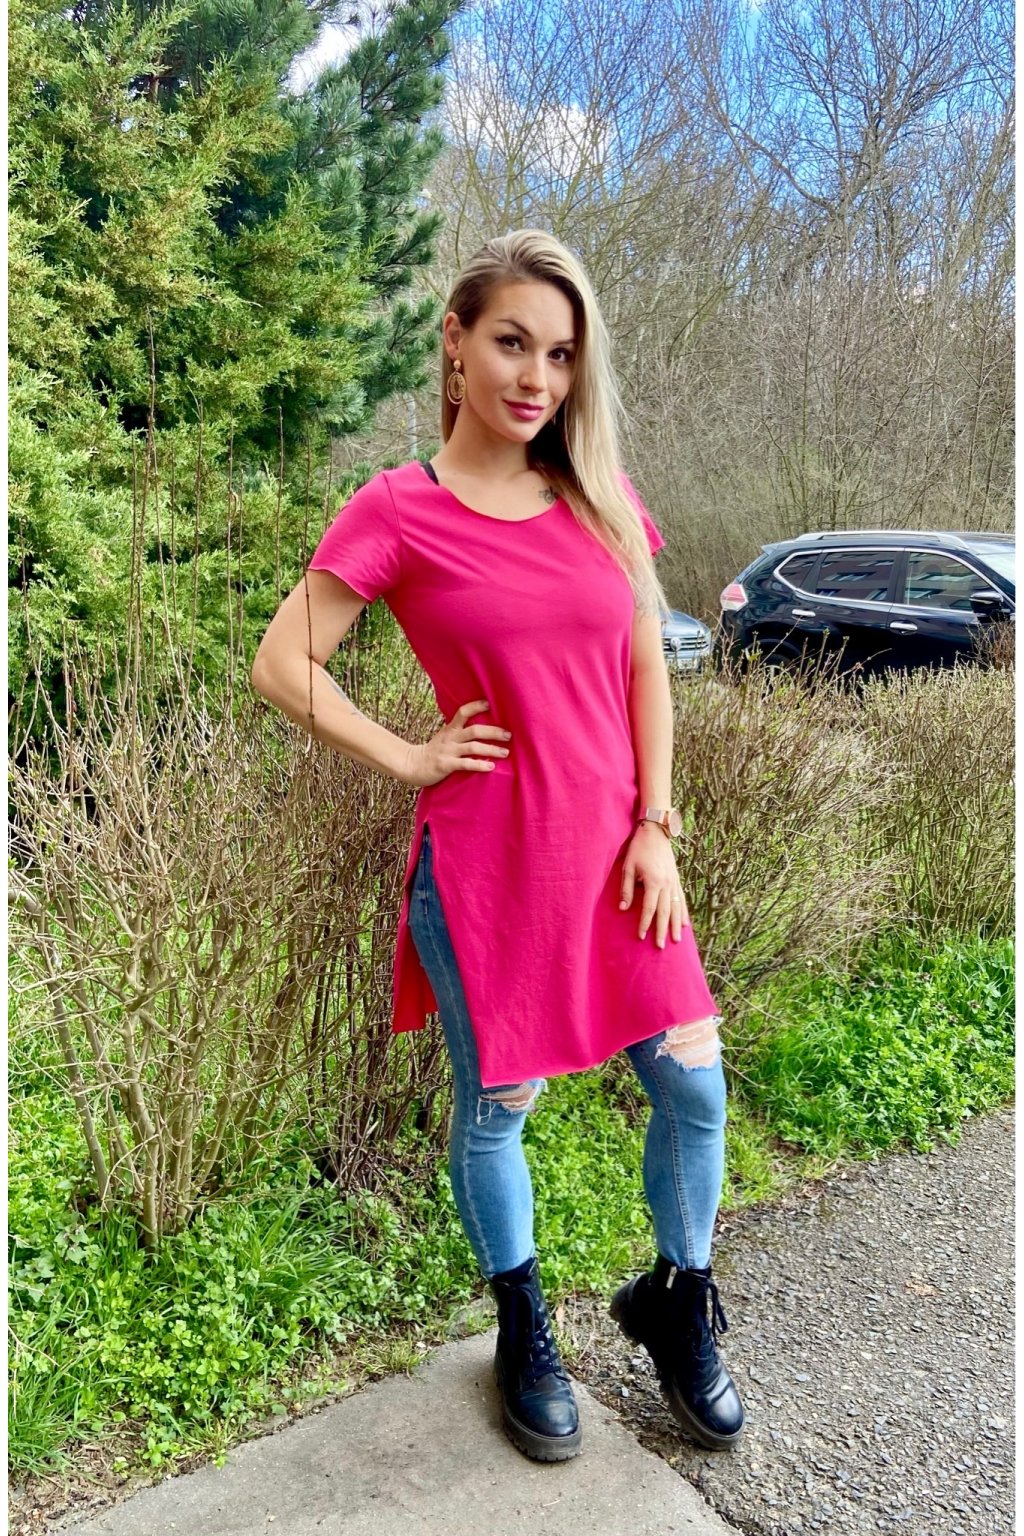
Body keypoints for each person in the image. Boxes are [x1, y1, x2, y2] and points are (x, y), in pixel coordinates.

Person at [251, 229, 744, 1464]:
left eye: (561, 355)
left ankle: (675, 1303)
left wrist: (657, 824)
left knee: (693, 1086)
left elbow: (646, 669)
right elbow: (281, 662)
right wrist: (407, 757)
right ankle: (523, 1329)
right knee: (497, 1107)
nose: (536, 376)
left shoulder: (599, 494)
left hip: (621, 858)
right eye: (513, 342)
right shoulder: (398, 508)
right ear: (456, 344)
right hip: (489, 869)